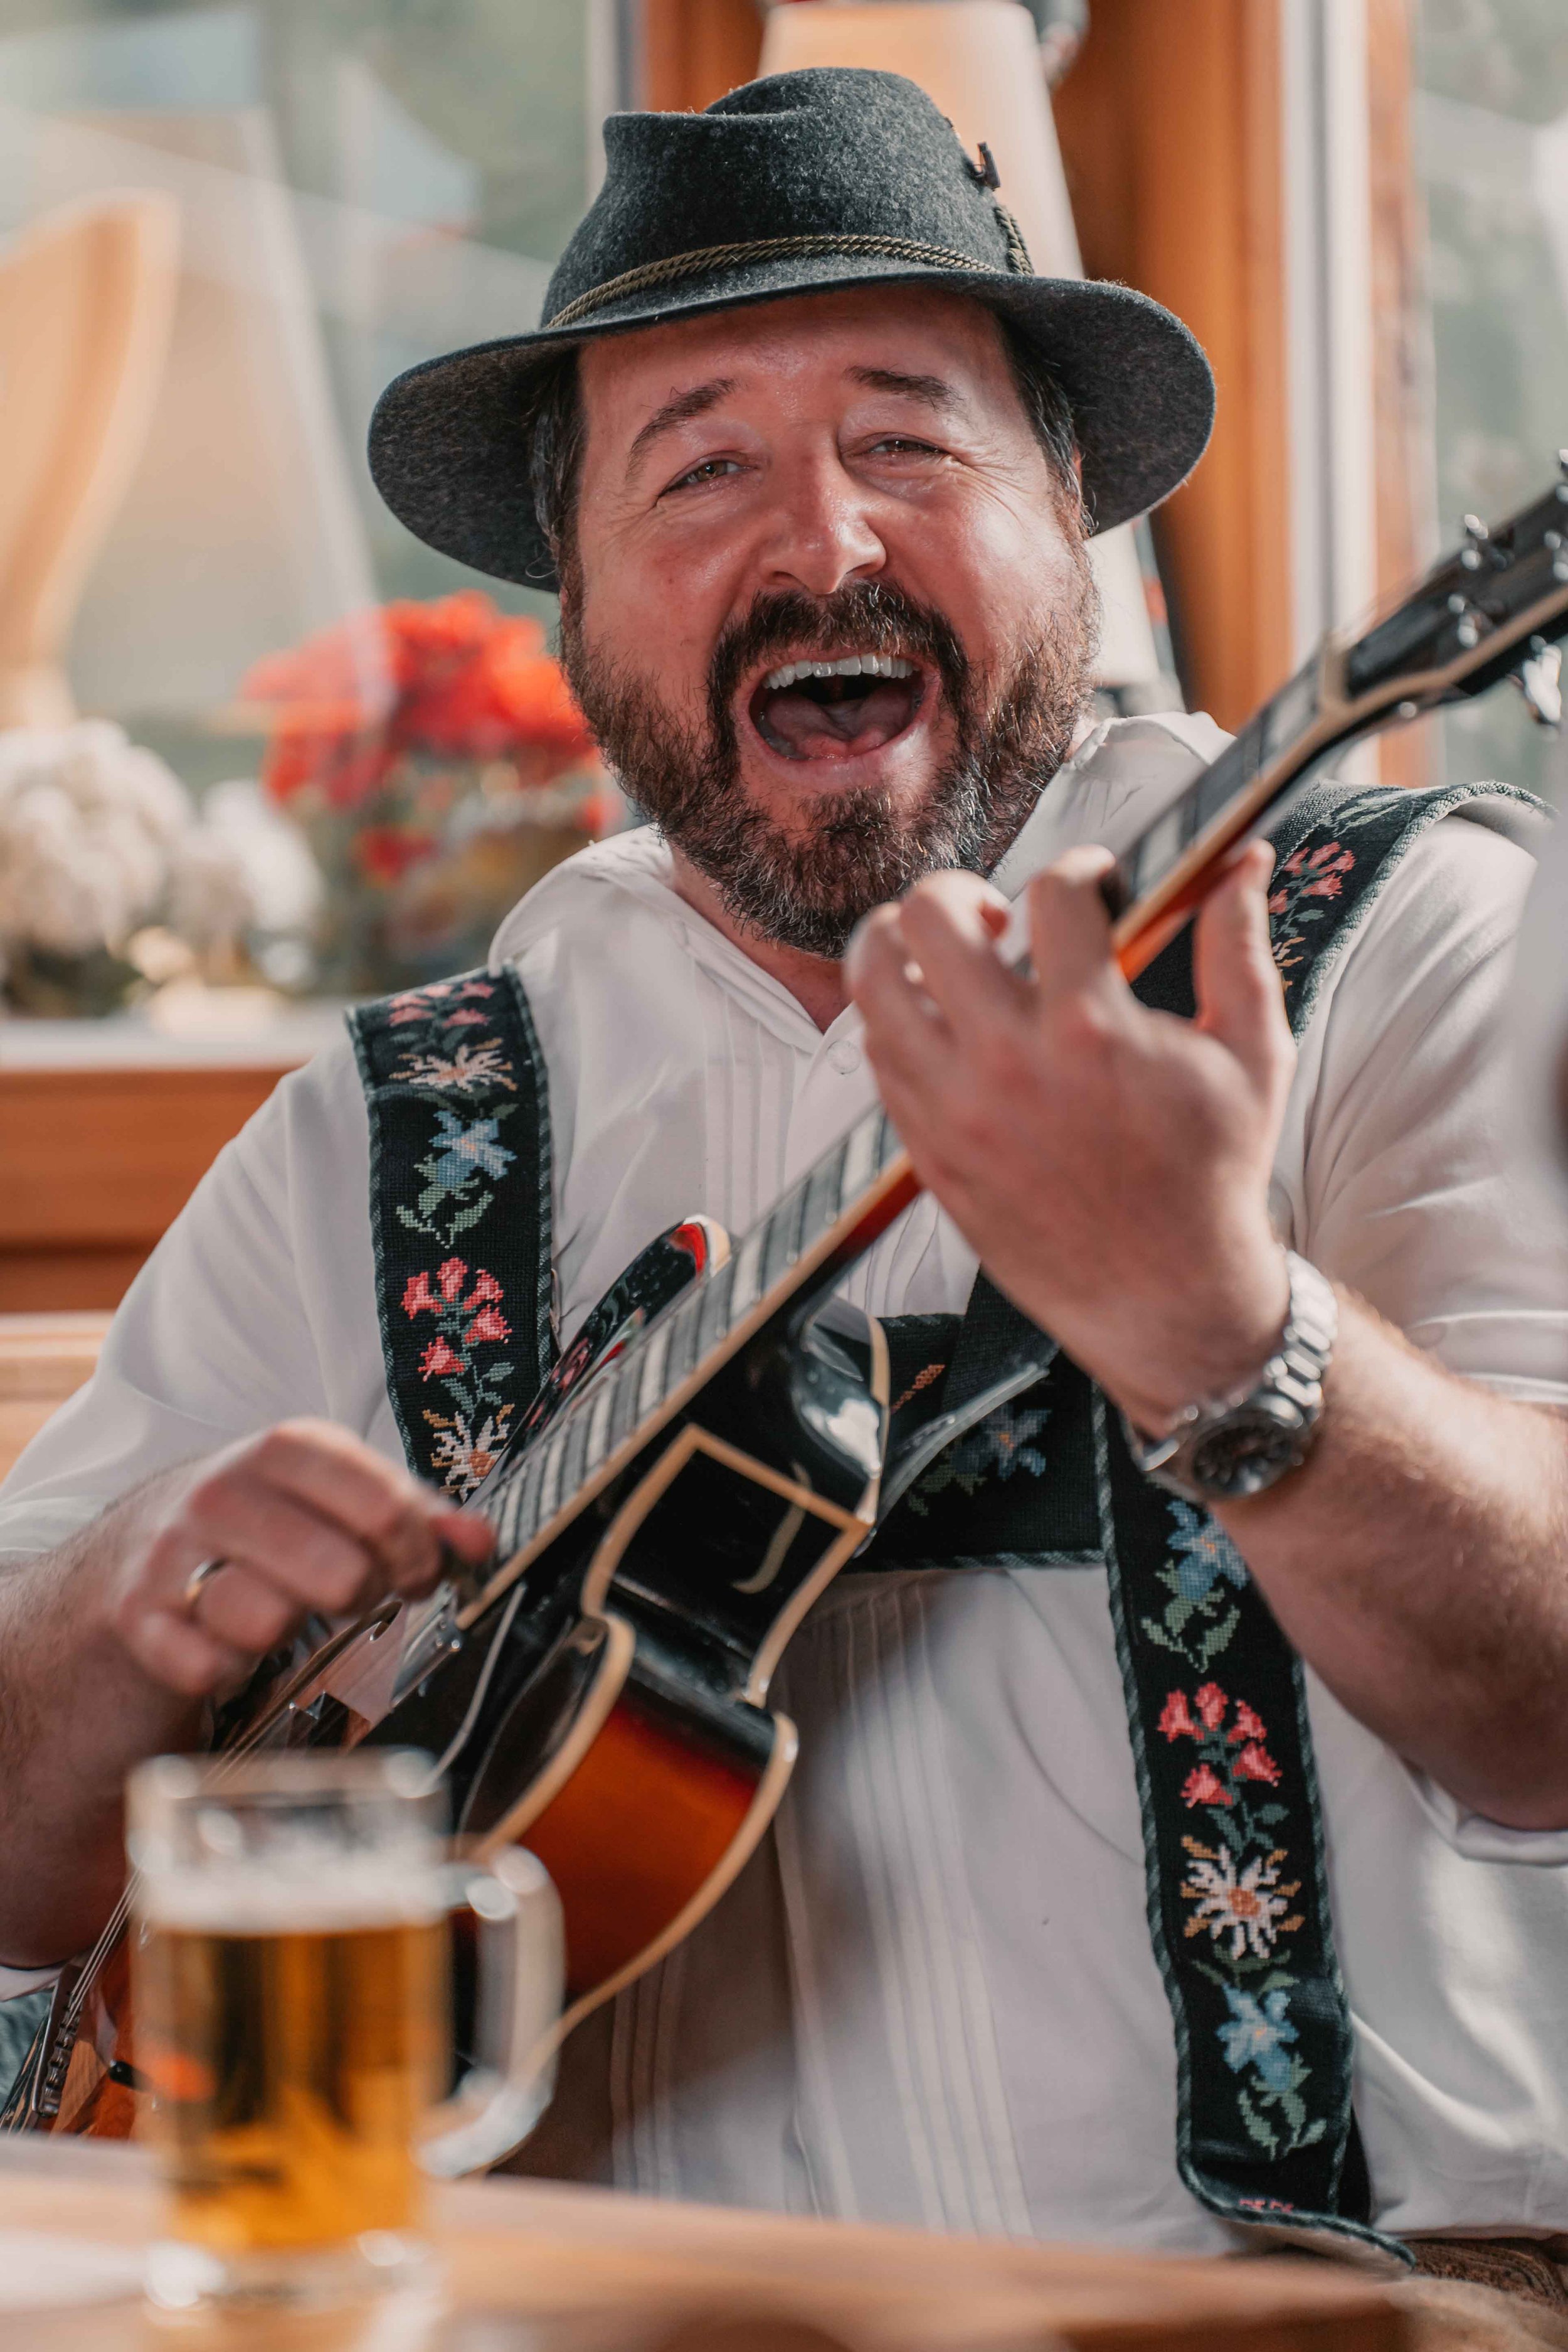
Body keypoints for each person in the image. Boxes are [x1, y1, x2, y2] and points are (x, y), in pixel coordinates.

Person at [2, 66, 1567, 2318]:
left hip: (1318, 2305)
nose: (821, 544)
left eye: (907, 442)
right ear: (573, 598)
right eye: (699, 465)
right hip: (579, 2318)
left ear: (1070, 517)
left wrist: (1231, 1335)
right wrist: (118, 1616)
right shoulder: (398, 1121)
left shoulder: (1395, 947)